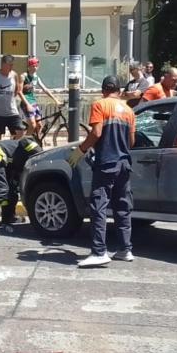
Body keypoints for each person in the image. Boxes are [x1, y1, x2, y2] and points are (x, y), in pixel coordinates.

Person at [68, 75, 136, 268]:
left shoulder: (100, 105)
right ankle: (125, 249)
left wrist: (80, 151)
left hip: (107, 162)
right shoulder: (129, 111)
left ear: (104, 89)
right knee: (123, 206)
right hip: (124, 163)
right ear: (119, 90)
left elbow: (96, 133)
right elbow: (131, 142)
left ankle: (99, 252)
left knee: (99, 205)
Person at [0, 137, 42, 224]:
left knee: (11, 189)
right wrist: (41, 153)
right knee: (0, 189)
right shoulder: (33, 148)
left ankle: (8, 217)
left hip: (1, 158)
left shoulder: (19, 162)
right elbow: (25, 140)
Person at [0, 54, 27, 140]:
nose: (11, 67)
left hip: (12, 111)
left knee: (20, 131)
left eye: (12, 65)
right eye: (9, 65)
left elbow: (17, 90)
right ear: (3, 64)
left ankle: (12, 146)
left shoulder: (14, 75)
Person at [22, 57, 60, 140]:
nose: (35, 67)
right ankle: (24, 142)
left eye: (36, 65)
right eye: (33, 65)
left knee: (39, 125)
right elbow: (19, 90)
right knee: (32, 125)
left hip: (33, 102)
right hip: (26, 102)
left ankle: (36, 141)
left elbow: (45, 89)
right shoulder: (25, 76)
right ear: (29, 67)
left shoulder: (36, 77)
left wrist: (56, 100)